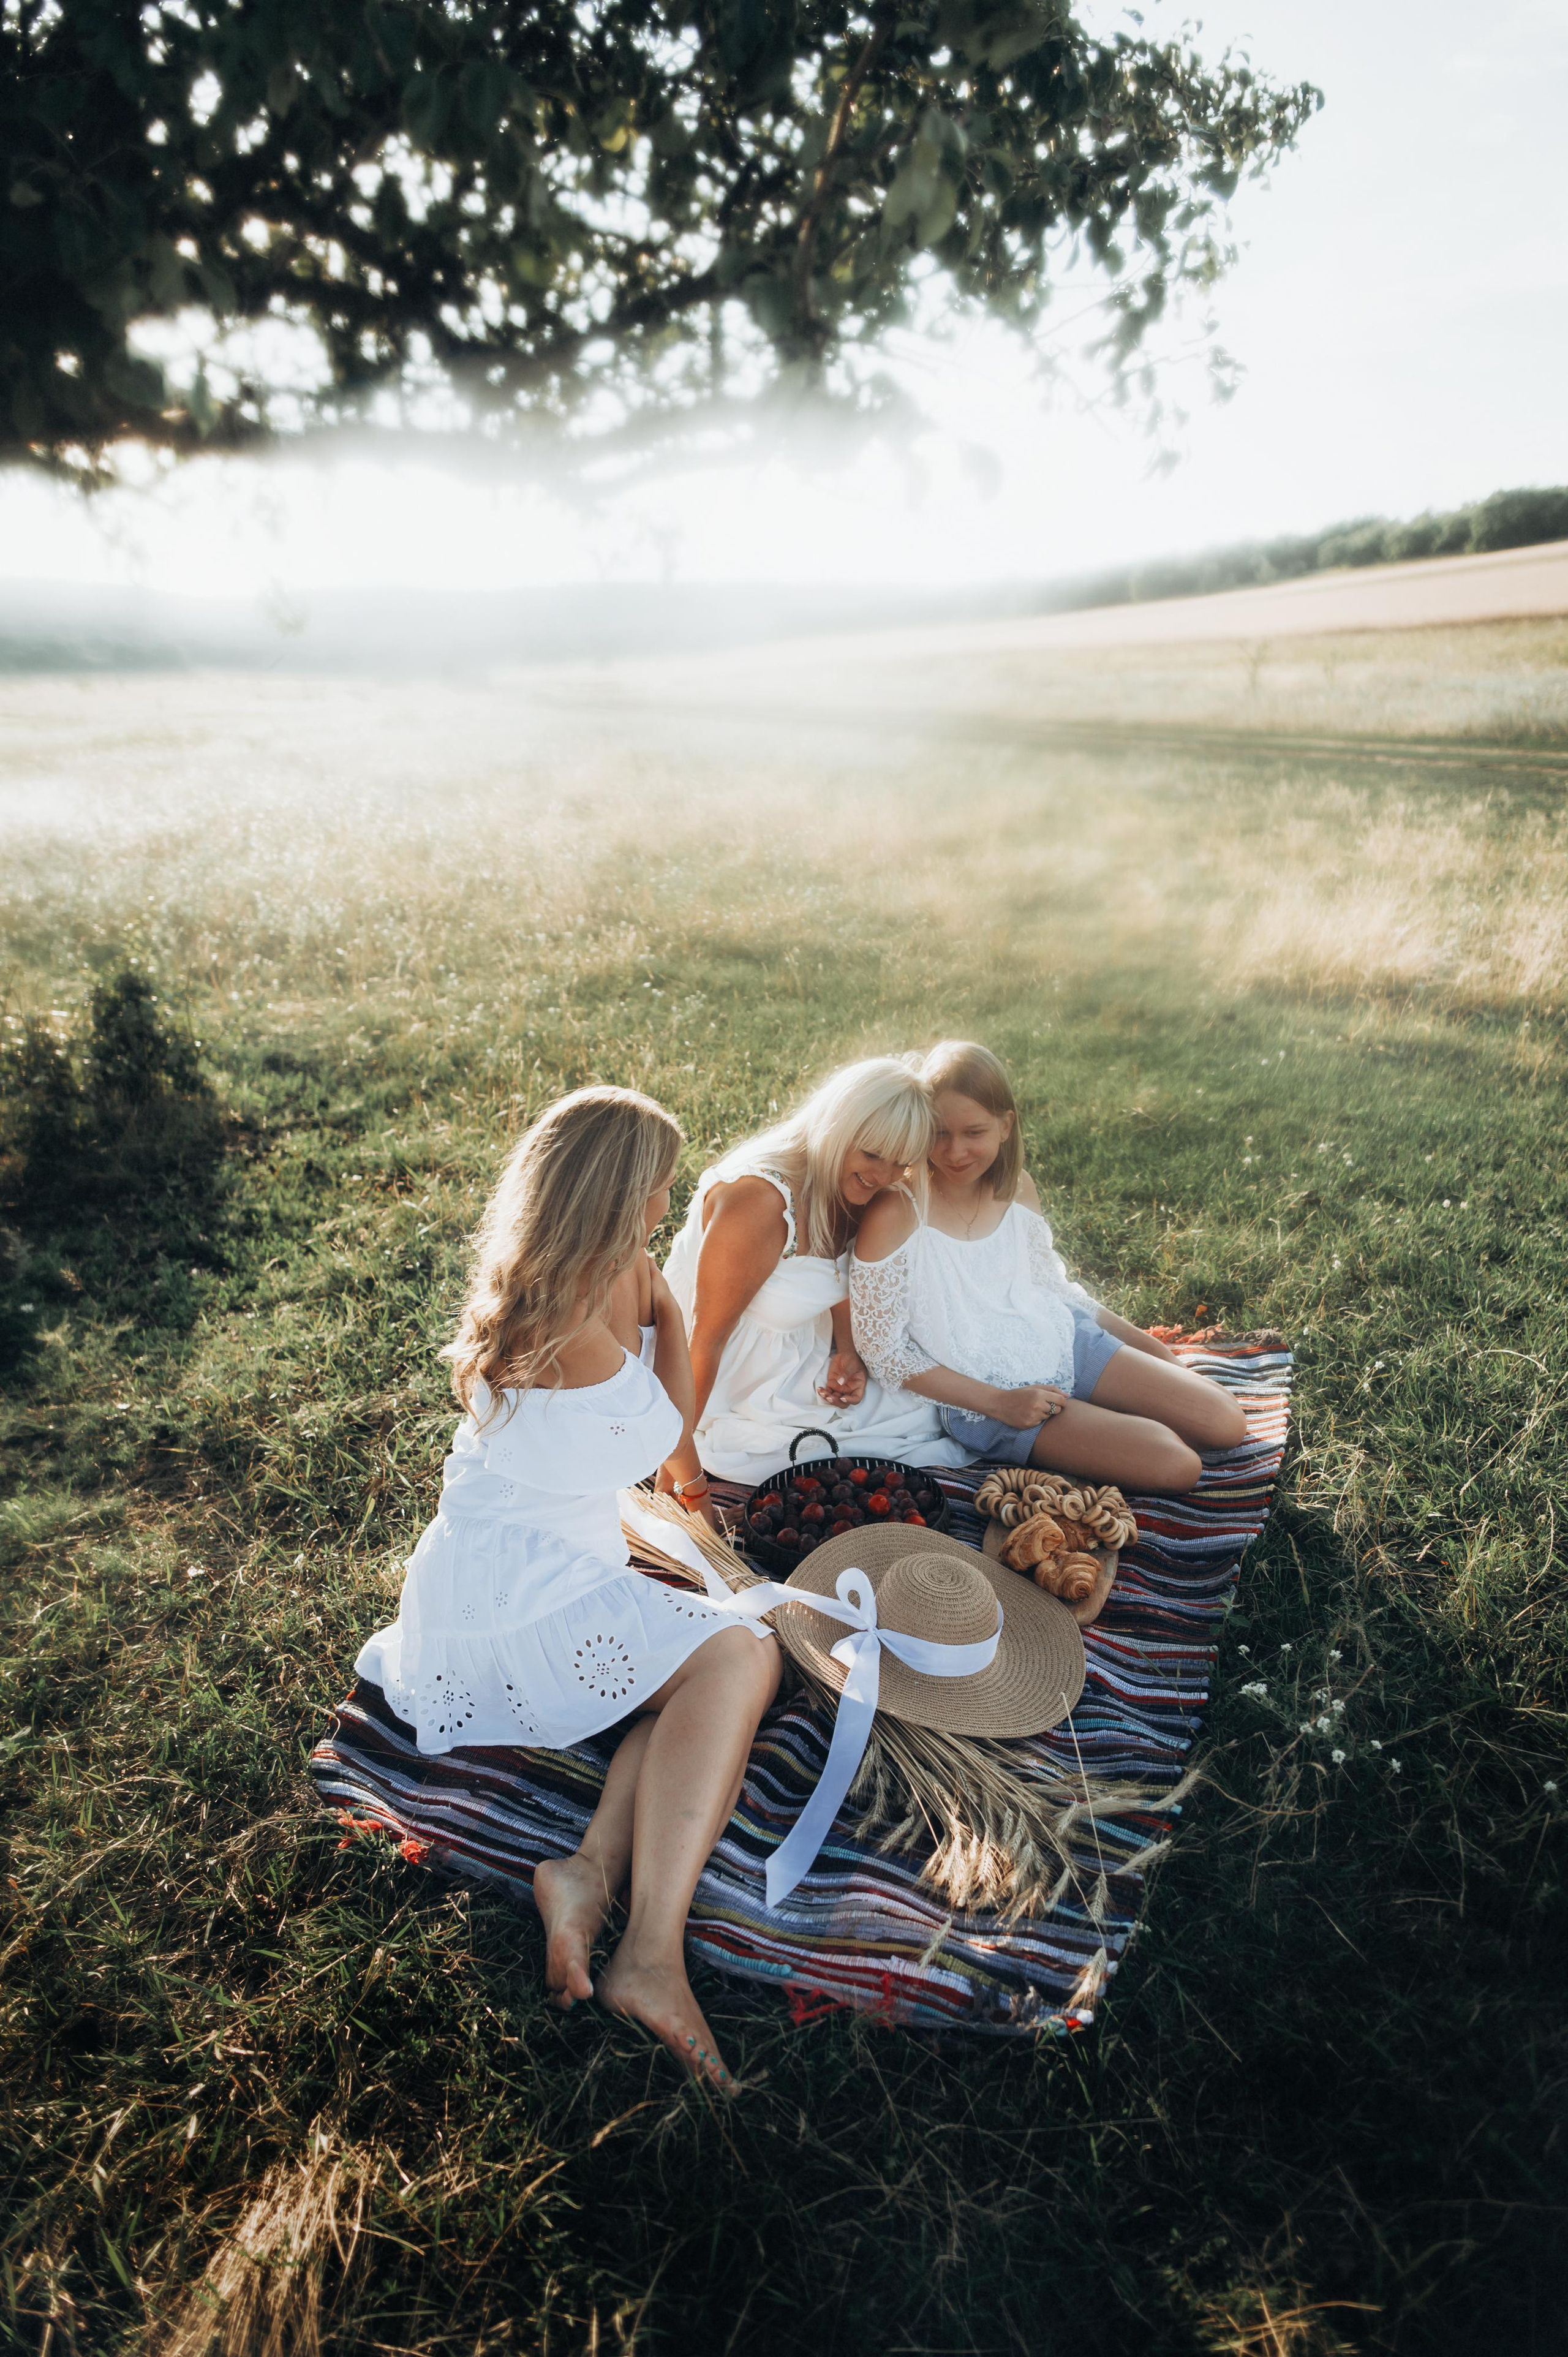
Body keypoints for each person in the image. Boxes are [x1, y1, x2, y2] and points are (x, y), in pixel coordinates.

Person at [353, 1087, 778, 2088]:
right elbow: (665, 1430)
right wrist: (672, 1309)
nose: (667, 1214)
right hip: (519, 1601)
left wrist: (657, 1300)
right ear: (622, 1197)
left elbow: (663, 1446)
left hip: (498, 1574)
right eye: (661, 1194)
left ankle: (585, 1870)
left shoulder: (561, 1274)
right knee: (745, 1649)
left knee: (701, 1686)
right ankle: (652, 1955)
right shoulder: (570, 1310)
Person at [850, 1041, 1248, 1623]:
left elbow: (1054, 1292)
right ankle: (1080, 1452)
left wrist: (1147, 1344)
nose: (956, 1151)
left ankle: (1100, 1433)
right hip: (994, 1394)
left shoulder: (1018, 1190)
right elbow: (882, 1348)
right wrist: (999, 1404)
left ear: (1007, 1126)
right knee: (1178, 1464)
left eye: (975, 1132)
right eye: (938, 1133)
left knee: (1226, 1423)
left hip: (1064, 1344)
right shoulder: (896, 1211)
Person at [660, 1058, 973, 1490]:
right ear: (835, 1130)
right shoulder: (760, 1201)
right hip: (723, 1373)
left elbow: (837, 1271)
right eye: (871, 1154)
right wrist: (678, 1473)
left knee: (922, 1414)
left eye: (900, 1162)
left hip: (797, 1352)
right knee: (809, 1456)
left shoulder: (854, 1183)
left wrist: (847, 1351)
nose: (882, 1176)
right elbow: (703, 1340)